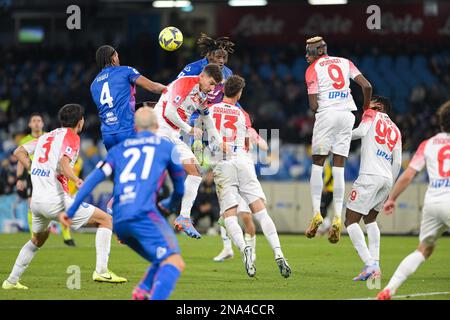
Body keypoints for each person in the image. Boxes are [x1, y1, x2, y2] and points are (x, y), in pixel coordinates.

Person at [64, 107, 186, 300]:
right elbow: (180, 188)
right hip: (143, 213)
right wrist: (169, 205)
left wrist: (70, 211)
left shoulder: (119, 149)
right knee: (174, 261)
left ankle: (141, 291)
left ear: (135, 128)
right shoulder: (166, 147)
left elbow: (93, 180)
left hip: (118, 219)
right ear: (156, 126)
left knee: (161, 257)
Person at [2, 104, 127, 290]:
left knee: (37, 240)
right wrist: (75, 178)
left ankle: (11, 281)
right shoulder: (72, 137)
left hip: (36, 202)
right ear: (80, 121)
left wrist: (31, 167)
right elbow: (64, 161)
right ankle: (101, 271)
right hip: (56, 200)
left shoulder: (46, 136)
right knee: (106, 220)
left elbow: (18, 151)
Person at [210, 75, 291, 278]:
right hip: (243, 162)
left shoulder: (210, 110)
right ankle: (279, 253)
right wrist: (266, 148)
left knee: (229, 215)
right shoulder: (241, 113)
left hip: (222, 164)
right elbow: (254, 138)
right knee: (261, 212)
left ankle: (244, 248)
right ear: (239, 93)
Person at [377, 100, 450, 300]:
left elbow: (408, 175)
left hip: (433, 203)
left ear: (441, 123)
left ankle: (389, 289)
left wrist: (391, 198)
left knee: (423, 250)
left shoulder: (428, 145)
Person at [304, 36, 372, 243]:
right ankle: (336, 218)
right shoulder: (345, 62)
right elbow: (367, 87)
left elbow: (314, 106)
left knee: (318, 163)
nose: (306, 55)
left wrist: (321, 107)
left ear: (316, 52)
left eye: (308, 51)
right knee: (339, 166)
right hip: (347, 115)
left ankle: (316, 212)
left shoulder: (312, 69)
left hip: (327, 114)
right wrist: (366, 108)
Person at [154, 63, 226, 239]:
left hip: (174, 135)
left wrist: (221, 142)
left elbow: (207, 120)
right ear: (202, 76)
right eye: (210, 83)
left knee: (195, 172)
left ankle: (184, 217)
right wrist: (190, 129)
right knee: (154, 175)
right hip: (159, 129)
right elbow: (170, 112)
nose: (211, 89)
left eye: (214, 86)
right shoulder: (185, 83)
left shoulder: (202, 95)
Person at [344, 96, 402, 281]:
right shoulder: (396, 129)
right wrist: (390, 184)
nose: (367, 104)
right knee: (370, 220)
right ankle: (375, 265)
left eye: (371, 101)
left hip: (369, 175)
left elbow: (361, 131)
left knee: (350, 221)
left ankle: (369, 264)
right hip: (387, 178)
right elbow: (398, 161)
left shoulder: (371, 114)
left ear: (379, 105)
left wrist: (340, 136)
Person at [90, 45, 166, 151]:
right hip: (127, 129)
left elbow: (113, 105)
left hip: (108, 135)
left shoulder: (93, 84)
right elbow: (153, 87)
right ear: (113, 58)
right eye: (117, 56)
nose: (118, 59)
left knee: (120, 166)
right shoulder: (125, 71)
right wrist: (171, 89)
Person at [16, 113, 76, 246]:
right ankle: (35, 237)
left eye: (39, 120)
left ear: (42, 123)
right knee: (32, 206)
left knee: (61, 204)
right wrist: (19, 178)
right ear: (30, 124)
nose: (37, 123)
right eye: (34, 121)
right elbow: (20, 160)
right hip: (32, 175)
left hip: (50, 175)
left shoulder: (49, 136)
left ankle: (67, 237)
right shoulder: (24, 140)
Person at [213, 122, 269, 263]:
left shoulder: (247, 131)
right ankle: (227, 248)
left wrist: (254, 138)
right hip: (228, 176)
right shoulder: (225, 131)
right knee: (226, 215)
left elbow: (264, 146)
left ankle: (251, 250)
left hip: (244, 178)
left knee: (246, 217)